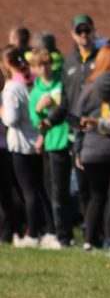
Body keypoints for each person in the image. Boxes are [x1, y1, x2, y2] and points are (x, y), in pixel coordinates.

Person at [74, 44, 110, 250]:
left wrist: (77, 150)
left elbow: (78, 121)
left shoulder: (89, 88)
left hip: (91, 150)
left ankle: (89, 240)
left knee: (96, 197)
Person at [1, 46, 47, 245]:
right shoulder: (29, 84)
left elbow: (11, 119)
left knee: (25, 191)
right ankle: (38, 229)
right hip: (32, 141)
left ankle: (31, 232)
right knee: (33, 190)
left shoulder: (12, 87)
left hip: (19, 145)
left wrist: (1, 111)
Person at [28, 47, 73, 247]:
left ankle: (67, 234)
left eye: (47, 64)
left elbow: (68, 105)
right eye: (40, 65)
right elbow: (34, 120)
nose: (45, 68)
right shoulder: (36, 91)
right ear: (35, 69)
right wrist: (39, 110)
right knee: (52, 191)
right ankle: (58, 233)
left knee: (65, 191)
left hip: (67, 139)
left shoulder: (62, 83)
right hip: (51, 143)